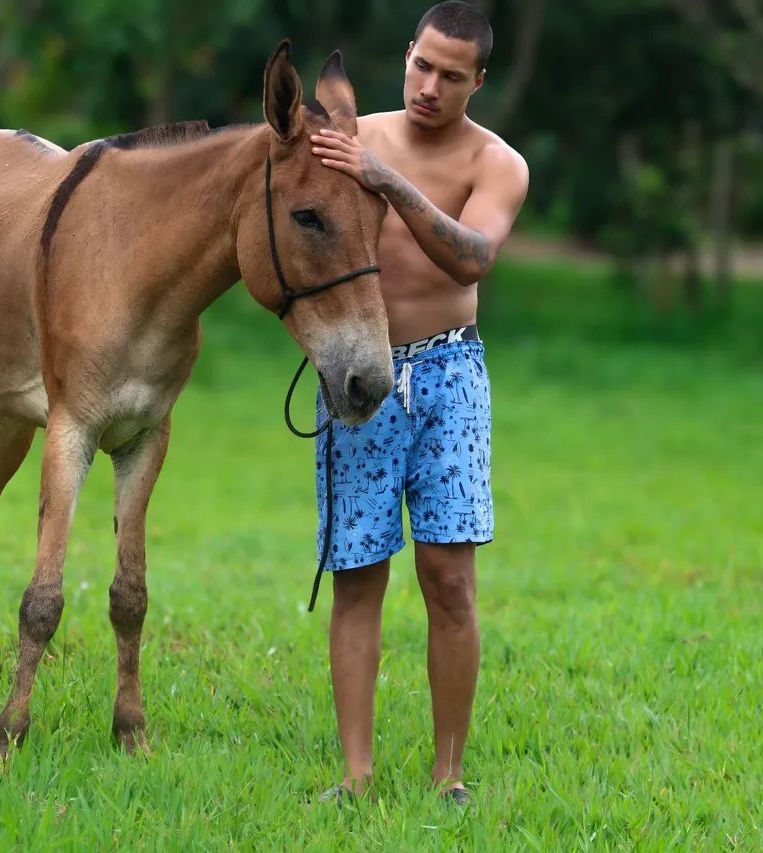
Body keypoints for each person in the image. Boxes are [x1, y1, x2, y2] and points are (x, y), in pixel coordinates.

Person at [308, 1, 529, 806]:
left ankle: (449, 776)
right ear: (408, 54)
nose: (430, 86)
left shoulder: (497, 163)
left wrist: (385, 180)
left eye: (451, 75)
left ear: (479, 81)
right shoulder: (351, 137)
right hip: (359, 372)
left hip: (449, 373)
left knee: (450, 578)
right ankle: (355, 776)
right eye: (422, 65)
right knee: (357, 572)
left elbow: (471, 258)